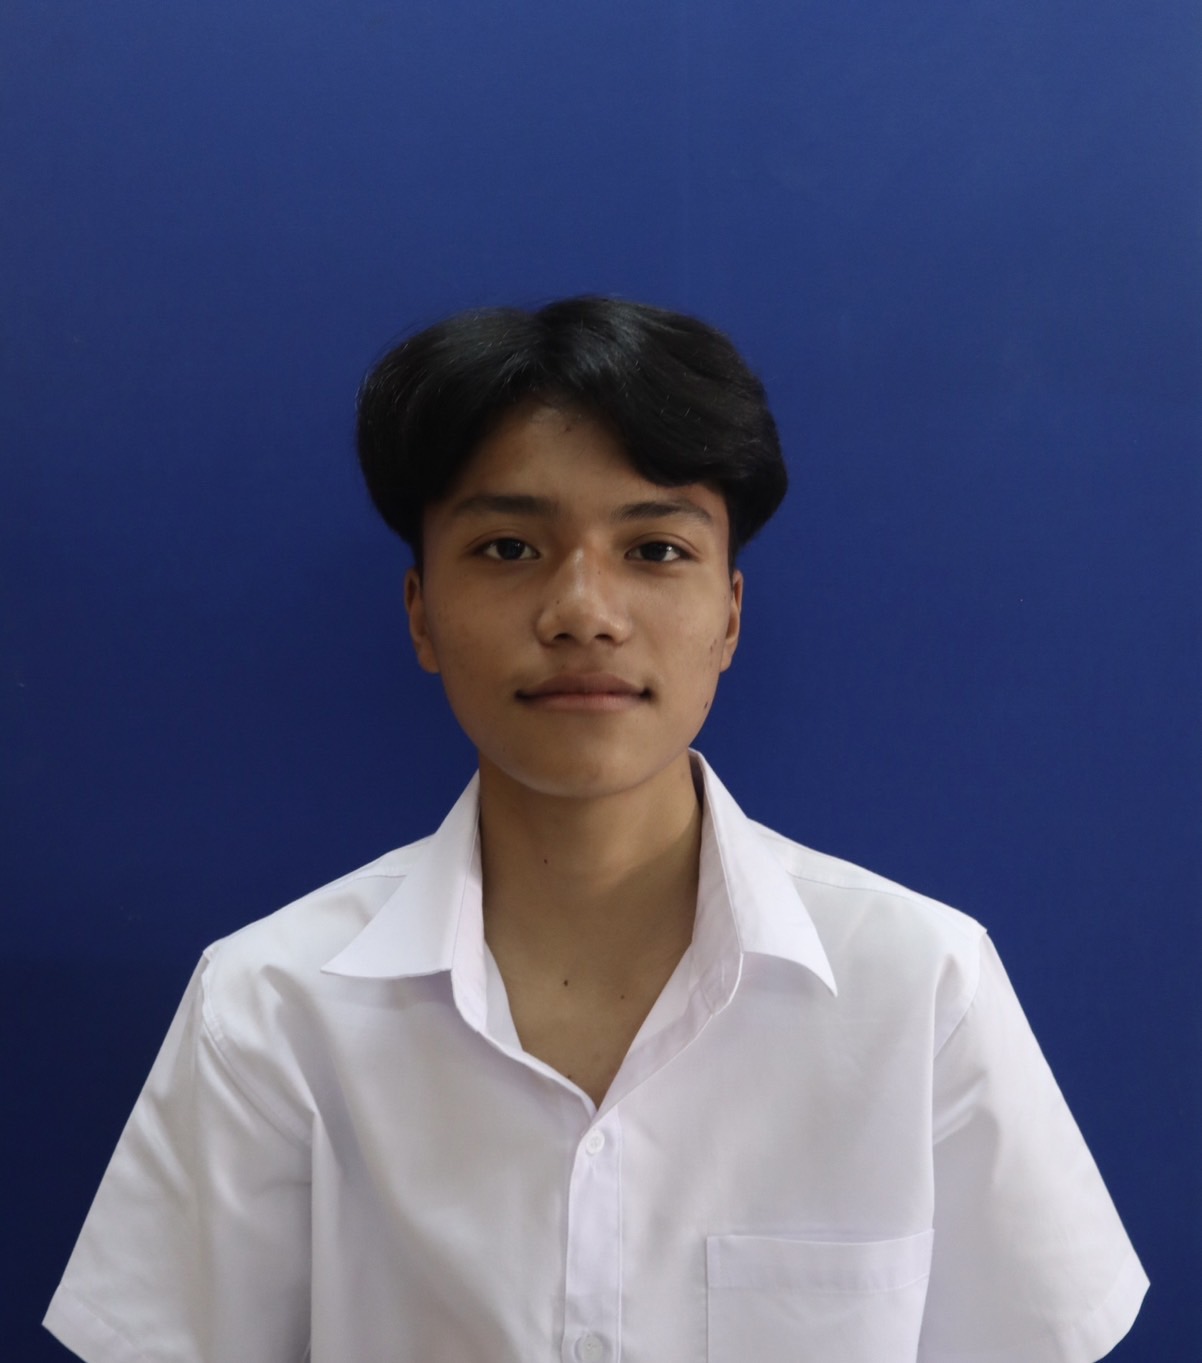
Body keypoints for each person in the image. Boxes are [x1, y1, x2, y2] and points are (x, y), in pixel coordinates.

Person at [46, 297, 1147, 1363]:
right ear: (421, 613)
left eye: (654, 550)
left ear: (729, 615)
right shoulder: (271, 1010)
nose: (583, 610)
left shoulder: (917, 986)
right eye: (507, 548)